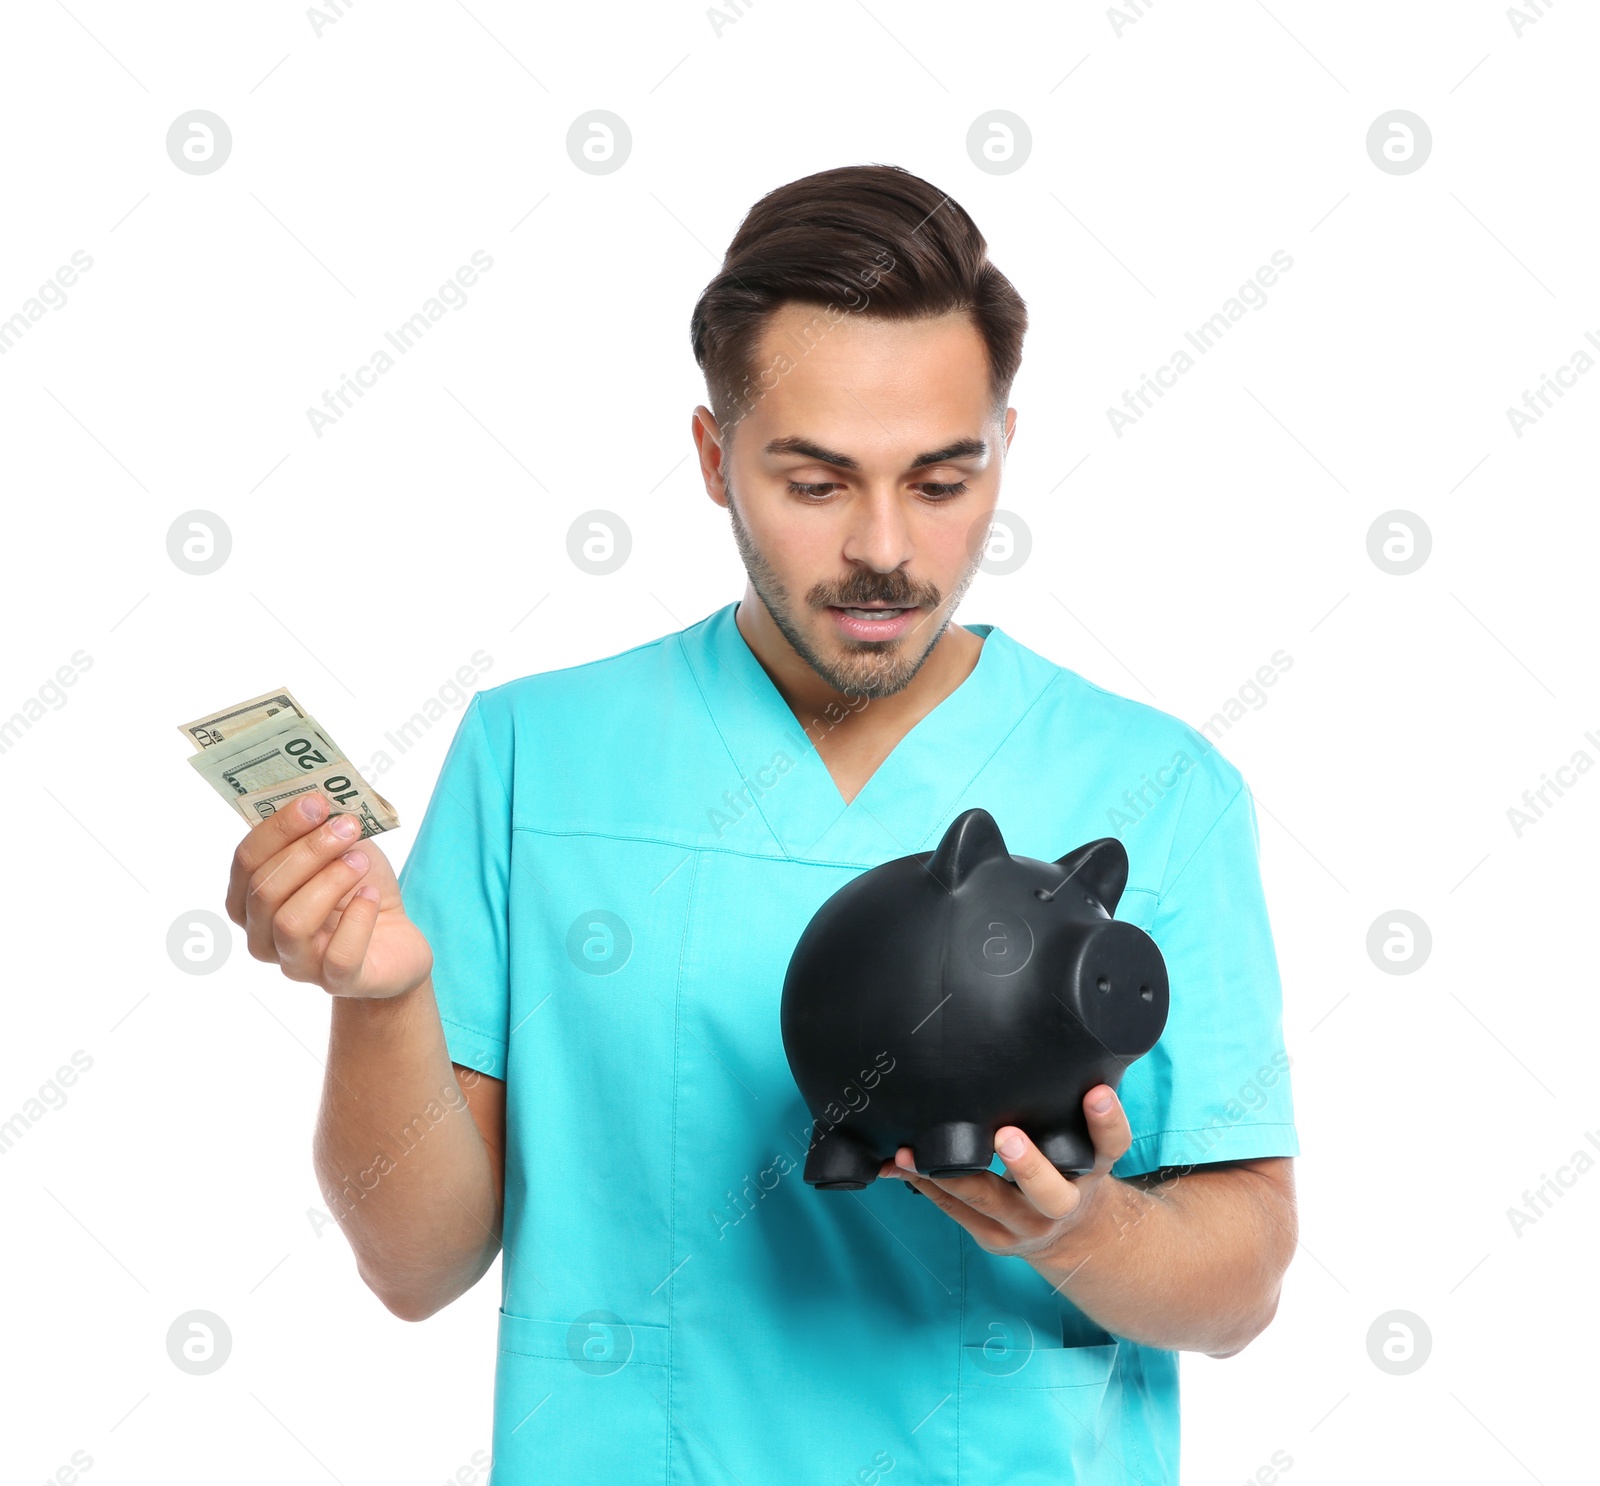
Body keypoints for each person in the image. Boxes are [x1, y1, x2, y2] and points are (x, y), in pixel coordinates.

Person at [225, 163, 1299, 1483]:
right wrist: (381, 999)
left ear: (1004, 449)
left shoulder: (1158, 787)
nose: (887, 549)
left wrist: (1072, 1230)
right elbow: (414, 1265)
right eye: (818, 483)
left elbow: (1242, 1281)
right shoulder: (536, 757)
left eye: (943, 481)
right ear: (713, 457)